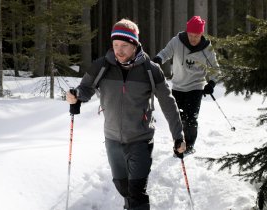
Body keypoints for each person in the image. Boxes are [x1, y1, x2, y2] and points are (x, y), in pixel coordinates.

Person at [66, 18, 186, 210]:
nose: (119, 50)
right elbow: (85, 88)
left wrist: (178, 136)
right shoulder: (101, 67)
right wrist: (76, 96)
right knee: (123, 187)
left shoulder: (151, 71)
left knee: (137, 192)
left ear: (135, 45)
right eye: (115, 45)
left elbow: (168, 104)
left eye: (124, 45)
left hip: (141, 139)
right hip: (112, 138)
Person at [153, 16, 220, 154]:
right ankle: (179, 144)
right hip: (178, 86)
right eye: (191, 35)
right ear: (187, 32)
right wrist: (158, 59)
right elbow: (166, 53)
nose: (193, 39)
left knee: (190, 119)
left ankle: (189, 146)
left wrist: (211, 83)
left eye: (197, 35)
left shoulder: (207, 48)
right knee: (178, 119)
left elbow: (215, 68)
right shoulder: (177, 41)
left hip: (196, 86)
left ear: (201, 34)